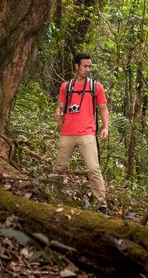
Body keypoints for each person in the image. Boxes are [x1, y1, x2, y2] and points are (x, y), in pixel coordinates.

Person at [54, 53, 110, 213]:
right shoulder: (66, 87)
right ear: (76, 66)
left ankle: (101, 204)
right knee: (59, 167)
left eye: (90, 66)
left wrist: (106, 127)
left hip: (87, 132)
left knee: (93, 168)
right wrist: (58, 113)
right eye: (85, 66)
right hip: (67, 132)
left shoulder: (95, 87)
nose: (88, 69)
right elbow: (60, 107)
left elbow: (103, 109)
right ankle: (54, 197)